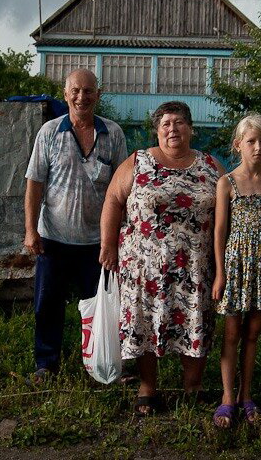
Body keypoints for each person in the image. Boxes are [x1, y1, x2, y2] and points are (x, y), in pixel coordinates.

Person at [99, 101, 224, 416]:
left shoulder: (211, 166)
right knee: (145, 323)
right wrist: (108, 244)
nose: (173, 129)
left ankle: (193, 386)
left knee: (195, 320)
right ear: (157, 131)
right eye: (166, 123)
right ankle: (147, 388)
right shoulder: (138, 161)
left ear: (191, 129)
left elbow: (229, 209)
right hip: (145, 268)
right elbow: (113, 200)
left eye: (179, 122)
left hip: (196, 267)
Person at [24, 68, 128, 384]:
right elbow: (34, 184)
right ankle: (46, 365)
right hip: (53, 238)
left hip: (98, 242)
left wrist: (117, 237)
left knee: (103, 307)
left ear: (98, 95)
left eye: (88, 91)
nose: (82, 97)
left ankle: (101, 364)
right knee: (47, 305)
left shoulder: (113, 133)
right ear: (66, 94)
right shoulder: (49, 132)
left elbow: (123, 188)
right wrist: (30, 230)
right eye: (76, 90)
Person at [211, 113, 261, 428]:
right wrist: (220, 274)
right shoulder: (226, 183)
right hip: (235, 265)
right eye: (251, 141)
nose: (258, 147)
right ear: (238, 145)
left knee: (253, 333)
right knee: (232, 333)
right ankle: (227, 397)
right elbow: (219, 230)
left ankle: (246, 395)